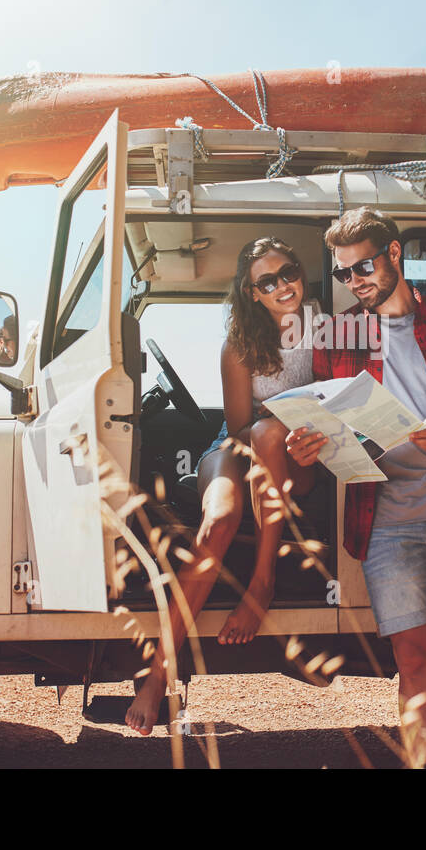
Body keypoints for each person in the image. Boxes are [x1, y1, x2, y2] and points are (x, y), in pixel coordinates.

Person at [286, 207, 426, 768]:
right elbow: (324, 431)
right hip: (385, 518)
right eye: (342, 274)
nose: (354, 283)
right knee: (413, 660)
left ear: (393, 254)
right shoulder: (337, 337)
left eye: (362, 267)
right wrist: (304, 450)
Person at [126, 236, 320, 735]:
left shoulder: (326, 327)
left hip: (302, 453)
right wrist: (273, 424)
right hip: (237, 447)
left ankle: (262, 584)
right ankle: (156, 675)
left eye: (289, 272)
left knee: (270, 431)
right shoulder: (240, 345)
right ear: (252, 293)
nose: (283, 285)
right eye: (267, 281)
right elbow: (236, 430)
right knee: (218, 520)